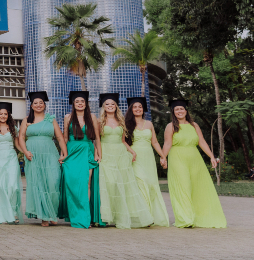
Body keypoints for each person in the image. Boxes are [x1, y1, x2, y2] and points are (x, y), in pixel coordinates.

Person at [162, 99, 227, 228]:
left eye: (182, 109)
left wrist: (212, 157)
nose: (179, 111)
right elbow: (167, 143)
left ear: (186, 111)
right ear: (173, 112)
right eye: (177, 109)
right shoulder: (170, 126)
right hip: (177, 158)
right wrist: (163, 158)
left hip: (195, 159)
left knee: (197, 187)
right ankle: (186, 219)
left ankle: (198, 216)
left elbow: (201, 142)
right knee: (183, 186)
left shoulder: (194, 125)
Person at [97, 93, 154, 228]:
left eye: (112, 104)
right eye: (107, 104)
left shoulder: (121, 120)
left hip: (121, 154)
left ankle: (121, 216)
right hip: (106, 153)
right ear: (104, 107)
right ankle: (107, 216)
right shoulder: (99, 121)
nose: (110, 106)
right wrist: (98, 155)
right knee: (109, 184)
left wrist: (132, 151)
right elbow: (97, 140)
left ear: (116, 106)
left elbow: (123, 141)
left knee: (122, 185)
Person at [18, 91, 66, 226]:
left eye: (41, 103)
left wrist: (64, 153)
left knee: (53, 181)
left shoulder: (51, 119)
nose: (38, 105)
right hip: (33, 155)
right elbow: (21, 137)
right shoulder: (26, 120)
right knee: (38, 184)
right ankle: (44, 216)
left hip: (50, 153)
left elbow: (60, 137)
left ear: (44, 105)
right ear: (31, 106)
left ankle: (52, 213)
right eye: (35, 103)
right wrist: (25, 152)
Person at [59, 91, 102, 229]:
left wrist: (98, 153)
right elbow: (65, 138)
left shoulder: (93, 117)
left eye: (82, 101)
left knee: (86, 184)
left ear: (86, 103)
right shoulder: (68, 117)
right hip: (71, 152)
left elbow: (96, 138)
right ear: (73, 103)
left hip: (87, 151)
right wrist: (62, 154)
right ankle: (75, 216)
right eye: (77, 101)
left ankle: (85, 217)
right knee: (72, 184)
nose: (80, 103)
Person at [124, 96, 169, 227]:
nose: (137, 109)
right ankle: (143, 217)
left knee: (149, 185)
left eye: (140, 107)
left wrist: (163, 156)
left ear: (143, 109)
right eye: (135, 107)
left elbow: (154, 141)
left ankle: (149, 215)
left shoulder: (149, 124)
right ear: (131, 109)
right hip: (134, 157)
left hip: (148, 157)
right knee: (140, 183)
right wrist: (130, 153)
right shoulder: (126, 124)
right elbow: (123, 142)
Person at [0, 102, 23, 224]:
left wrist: (26, 152)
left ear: (9, 115)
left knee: (13, 186)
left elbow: (18, 144)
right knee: (1, 187)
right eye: (1, 113)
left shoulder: (14, 128)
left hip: (11, 158)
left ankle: (13, 212)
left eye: (5, 114)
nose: (3, 116)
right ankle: (3, 215)